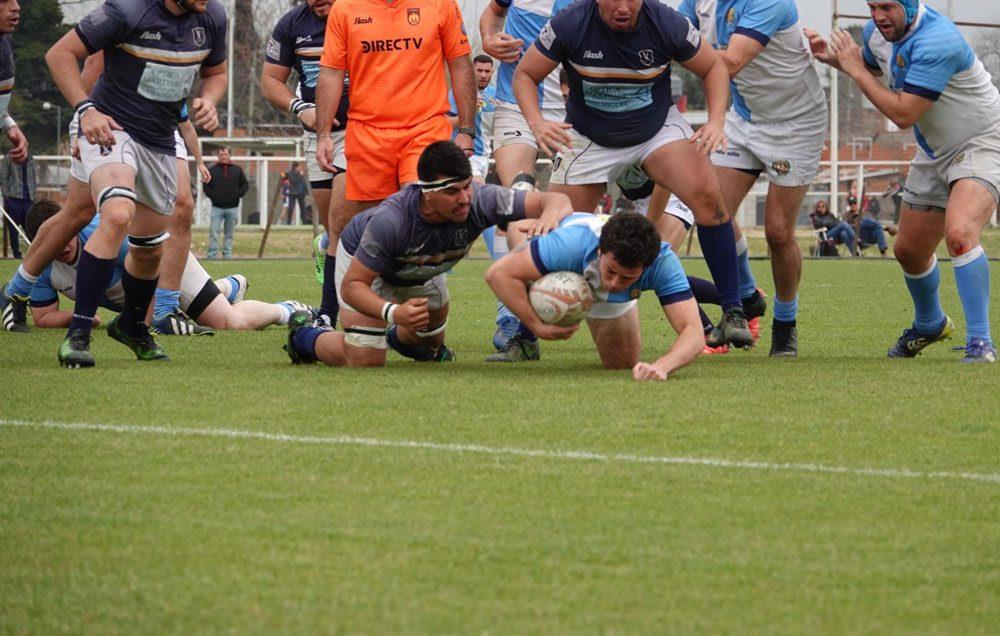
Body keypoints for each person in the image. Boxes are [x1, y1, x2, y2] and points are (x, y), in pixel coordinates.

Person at [512, 0, 754, 350]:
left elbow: (713, 66)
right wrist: (537, 123)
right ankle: (524, 337)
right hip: (589, 136)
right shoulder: (570, 23)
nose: (624, 7)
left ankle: (733, 311)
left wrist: (716, 121)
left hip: (656, 130)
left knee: (709, 199)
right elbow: (525, 74)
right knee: (551, 227)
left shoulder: (666, 22)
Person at [807, 0, 999, 363]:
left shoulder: (937, 40)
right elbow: (869, 65)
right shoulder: (876, 34)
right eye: (872, 6)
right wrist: (834, 58)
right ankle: (930, 324)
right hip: (935, 149)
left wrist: (854, 71)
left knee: (960, 233)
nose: (878, 16)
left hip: (982, 141)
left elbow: (903, 114)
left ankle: (980, 341)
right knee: (908, 251)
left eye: (887, 6)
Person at [41, 0, 227, 367]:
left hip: (160, 140)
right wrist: (85, 110)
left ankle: (131, 326)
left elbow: (217, 72)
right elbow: (59, 54)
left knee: (149, 249)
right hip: (112, 129)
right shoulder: (126, 10)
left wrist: (209, 99)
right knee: (117, 214)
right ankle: (78, 334)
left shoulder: (214, 16)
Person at [282, 140, 573, 367]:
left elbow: (556, 200)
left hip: (422, 269)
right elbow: (353, 286)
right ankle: (303, 337)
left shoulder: (482, 200)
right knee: (365, 358)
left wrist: (548, 216)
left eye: (466, 187)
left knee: (428, 342)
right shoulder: (391, 221)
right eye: (452, 192)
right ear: (427, 192)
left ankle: (399, 341)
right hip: (368, 268)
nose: (464, 199)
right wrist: (394, 312)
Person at [311, 0, 477, 331]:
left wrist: (467, 129)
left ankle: (426, 329)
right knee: (363, 229)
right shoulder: (345, 9)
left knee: (419, 216)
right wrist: (324, 134)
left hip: (424, 129)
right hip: (367, 134)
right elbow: (331, 72)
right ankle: (336, 314)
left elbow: (460, 63)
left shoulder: (441, 5)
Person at [678, 0, 826, 357]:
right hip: (744, 118)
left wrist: (668, 48)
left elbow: (729, 63)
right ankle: (747, 296)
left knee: (778, 232)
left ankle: (785, 324)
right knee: (712, 211)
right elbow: (671, 33)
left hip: (795, 124)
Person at [23, 199, 315, 332]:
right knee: (189, 309)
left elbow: (152, 269)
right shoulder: (42, 264)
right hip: (140, 295)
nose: (62, 247)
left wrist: (145, 323)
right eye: (52, 243)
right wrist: (84, 317)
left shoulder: (108, 235)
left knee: (228, 323)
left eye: (65, 236)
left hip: (166, 267)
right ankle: (227, 287)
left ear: (72, 226)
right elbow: (43, 317)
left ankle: (287, 310)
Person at [485, 212, 703, 380]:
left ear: (646, 267)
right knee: (520, 236)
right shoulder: (571, 245)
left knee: (621, 366)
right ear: (600, 251)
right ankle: (525, 338)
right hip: (565, 264)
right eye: (611, 271)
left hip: (609, 296)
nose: (615, 283)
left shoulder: (663, 262)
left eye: (627, 278)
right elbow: (498, 275)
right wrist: (536, 325)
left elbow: (694, 332)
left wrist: (662, 366)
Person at [260, 0, 351, 296]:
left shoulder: (360, 13)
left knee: (345, 219)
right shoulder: (291, 24)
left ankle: (339, 304)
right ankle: (326, 245)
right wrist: (301, 109)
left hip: (360, 131)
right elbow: (270, 80)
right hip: (317, 136)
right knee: (333, 226)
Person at [448, 54, 497, 183]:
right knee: (478, 186)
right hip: (464, 154)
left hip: (485, 156)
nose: (483, 75)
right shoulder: (456, 93)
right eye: (479, 70)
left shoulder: (495, 95)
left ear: (492, 73)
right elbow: (446, 124)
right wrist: (470, 111)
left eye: (487, 71)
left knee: (475, 194)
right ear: (471, 71)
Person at [204, 146, 248, 259]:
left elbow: (245, 185)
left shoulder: (237, 170)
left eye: (225, 154)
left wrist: (237, 194)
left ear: (229, 155)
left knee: (229, 233)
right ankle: (212, 255)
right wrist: (214, 197)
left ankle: (227, 254)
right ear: (218, 156)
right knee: (214, 232)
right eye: (221, 154)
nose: (223, 156)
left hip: (232, 208)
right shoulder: (212, 170)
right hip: (217, 208)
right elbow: (206, 186)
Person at [0, 151, 34, 259]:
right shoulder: (8, 158)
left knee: (31, 227)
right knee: (13, 229)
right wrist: (7, 196)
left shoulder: (30, 158)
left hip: (28, 199)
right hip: (13, 199)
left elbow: (33, 178)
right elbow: (3, 177)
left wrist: (33, 195)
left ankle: (35, 253)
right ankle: (17, 255)